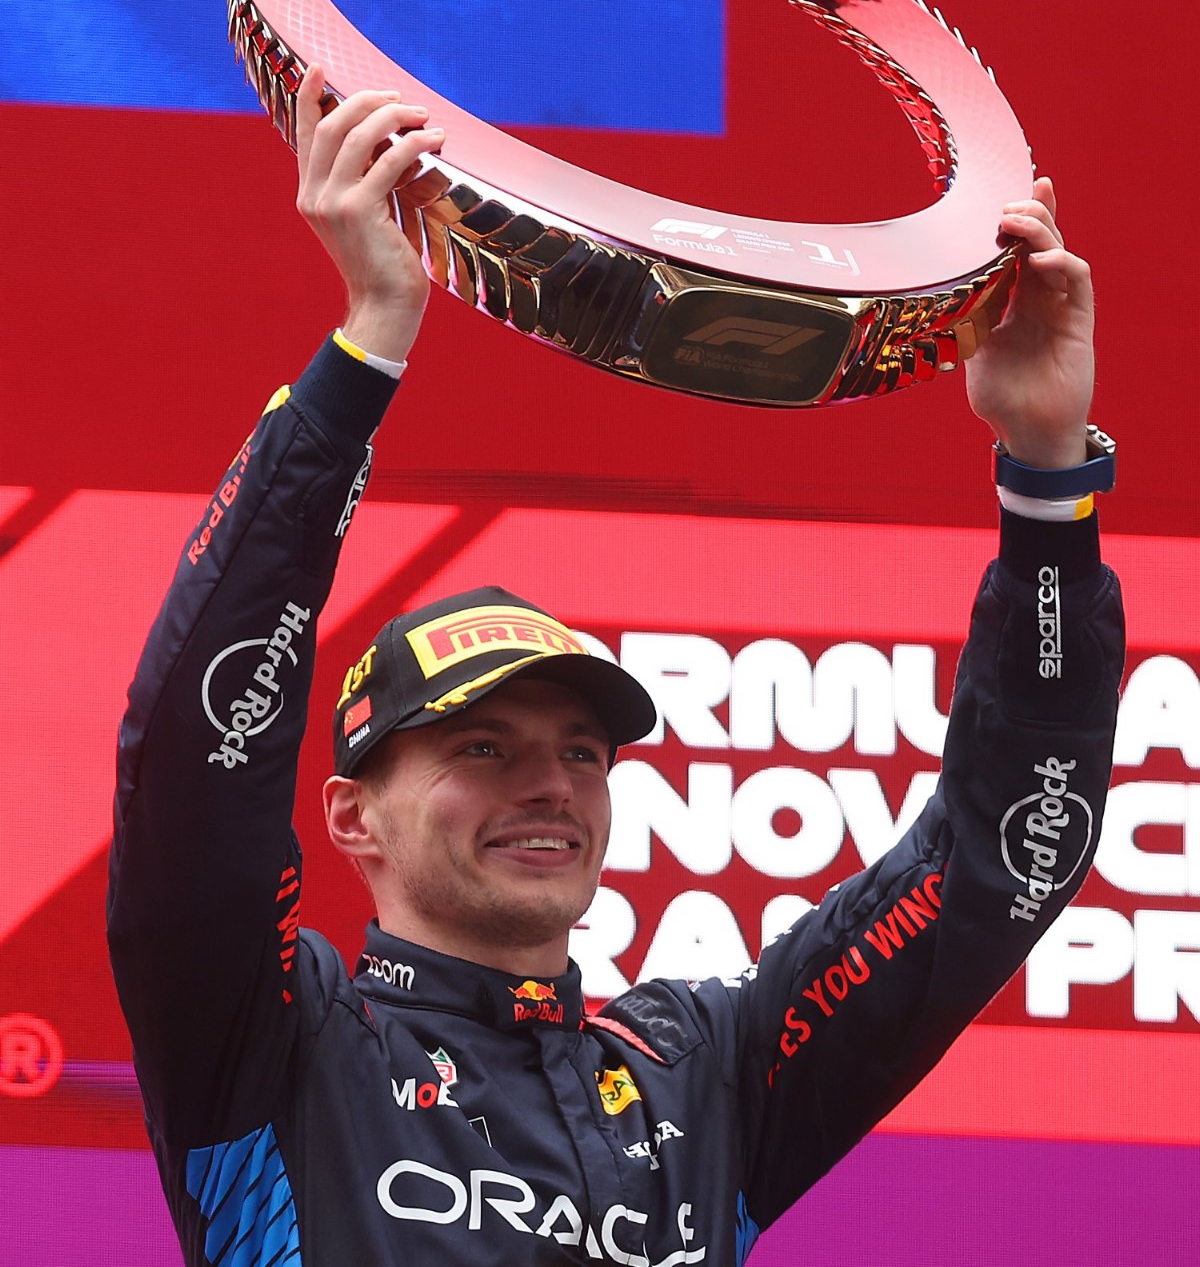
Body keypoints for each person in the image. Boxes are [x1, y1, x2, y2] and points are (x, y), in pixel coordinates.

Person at [108, 66, 1124, 1267]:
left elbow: (1010, 850)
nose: (550, 784)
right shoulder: (274, 1039)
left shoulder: (707, 1076)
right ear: (352, 815)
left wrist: (1049, 479)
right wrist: (362, 353)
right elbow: (191, 764)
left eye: (581, 751)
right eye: (481, 746)